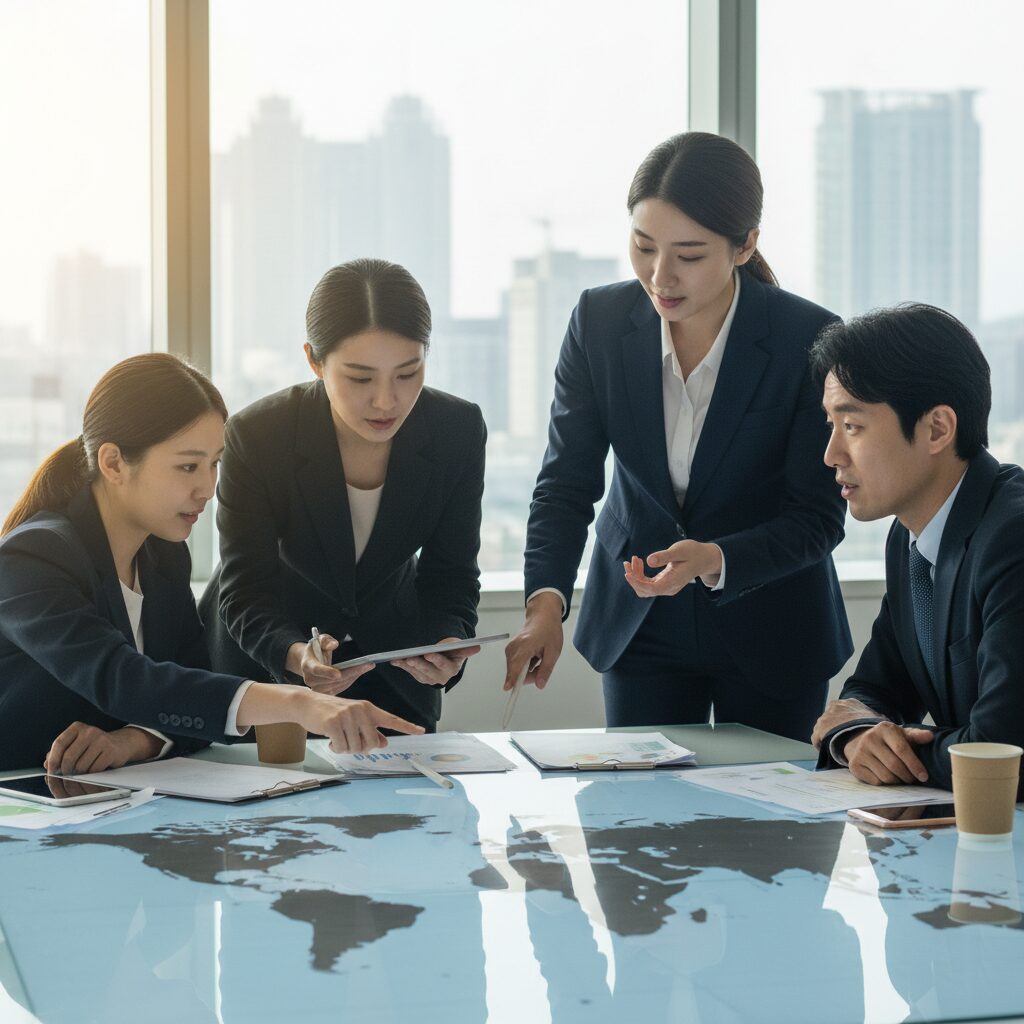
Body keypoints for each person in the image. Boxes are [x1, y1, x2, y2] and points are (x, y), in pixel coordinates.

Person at [504, 131, 852, 740]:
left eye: (689, 255)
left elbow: (817, 518)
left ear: (746, 245)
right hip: (640, 624)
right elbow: (565, 483)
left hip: (772, 621)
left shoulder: (808, 337)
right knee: (639, 802)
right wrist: (545, 604)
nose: (660, 276)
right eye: (644, 247)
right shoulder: (598, 322)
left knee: (770, 803)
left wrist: (715, 559)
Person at [0, 353, 423, 774]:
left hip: (109, 797)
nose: (208, 487)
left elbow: (195, 696)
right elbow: (122, 678)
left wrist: (131, 741)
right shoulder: (35, 557)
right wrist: (299, 703)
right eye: (188, 466)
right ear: (113, 463)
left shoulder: (163, 557)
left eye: (214, 463)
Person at [200, 259, 485, 732]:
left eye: (407, 373)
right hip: (268, 676)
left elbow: (451, 575)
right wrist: (296, 655)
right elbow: (245, 586)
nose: (386, 401)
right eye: (360, 378)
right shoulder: (258, 434)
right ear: (314, 361)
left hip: (395, 674)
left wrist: (446, 643)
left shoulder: (457, 429)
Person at [810, 304, 1024, 791]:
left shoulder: (1012, 539)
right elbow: (871, 692)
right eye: (831, 425)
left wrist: (875, 744)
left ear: (937, 429)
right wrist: (855, 736)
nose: (831, 454)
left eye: (852, 426)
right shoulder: (909, 536)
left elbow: (1000, 750)